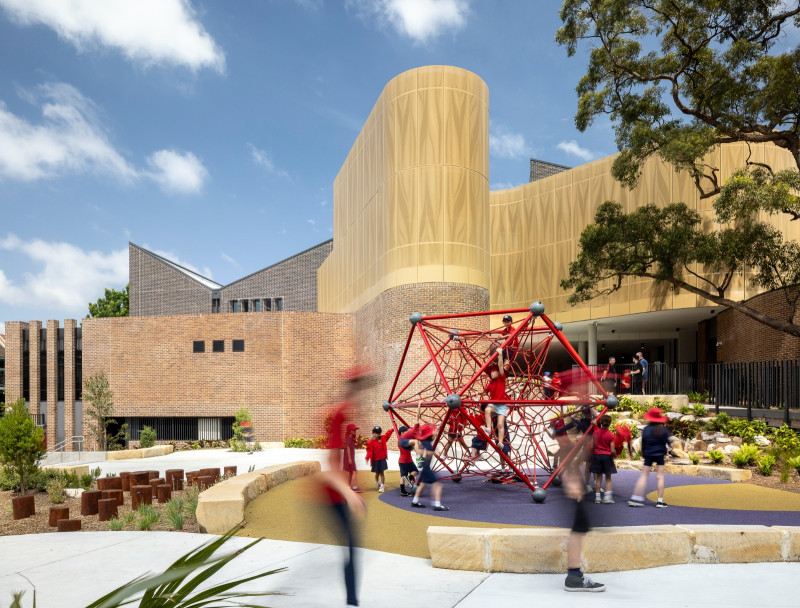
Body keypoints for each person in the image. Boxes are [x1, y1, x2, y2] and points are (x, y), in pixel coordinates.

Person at [316, 365, 370, 606]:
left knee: (352, 547)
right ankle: (352, 601)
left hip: (336, 495)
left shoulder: (346, 413)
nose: (361, 393)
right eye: (358, 387)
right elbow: (329, 467)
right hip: (331, 496)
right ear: (352, 389)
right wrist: (349, 493)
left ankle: (352, 599)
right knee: (351, 546)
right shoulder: (339, 415)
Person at [562, 450, 606, 592]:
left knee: (579, 530)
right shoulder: (576, 431)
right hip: (575, 491)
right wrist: (571, 481)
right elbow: (567, 451)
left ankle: (574, 575)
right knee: (578, 529)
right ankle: (573, 577)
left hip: (576, 486)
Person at [628, 407, 672, 508]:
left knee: (644, 476)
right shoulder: (663, 430)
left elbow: (643, 442)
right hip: (660, 455)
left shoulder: (646, 429)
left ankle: (636, 498)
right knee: (660, 476)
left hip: (648, 454)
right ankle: (660, 501)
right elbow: (668, 442)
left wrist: (643, 453)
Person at [410, 423, 449, 511]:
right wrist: (434, 453)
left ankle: (415, 502)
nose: (435, 433)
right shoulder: (427, 444)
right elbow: (419, 452)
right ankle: (437, 505)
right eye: (434, 432)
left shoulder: (426, 442)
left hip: (425, 468)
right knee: (438, 485)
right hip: (426, 468)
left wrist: (438, 427)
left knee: (422, 484)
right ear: (429, 435)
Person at [483, 351, 509, 448]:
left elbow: (501, 367)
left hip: (501, 405)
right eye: (491, 372)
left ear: (498, 372)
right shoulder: (491, 383)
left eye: (494, 371)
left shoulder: (501, 379)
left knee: (500, 425)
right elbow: (484, 392)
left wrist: (500, 355)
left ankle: (501, 443)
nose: (491, 373)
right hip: (494, 404)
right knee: (487, 409)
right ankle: (489, 429)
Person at [590, 415, 617, 504]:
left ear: (600, 422)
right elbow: (612, 450)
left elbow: (592, 446)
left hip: (597, 456)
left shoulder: (595, 433)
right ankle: (607, 497)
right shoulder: (611, 435)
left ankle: (597, 498)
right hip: (607, 457)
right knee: (608, 478)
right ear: (610, 423)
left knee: (598, 477)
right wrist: (615, 455)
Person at [365, 425, 394, 493]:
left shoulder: (383, 438)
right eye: (374, 433)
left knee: (382, 473)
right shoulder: (370, 442)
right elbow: (369, 451)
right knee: (377, 473)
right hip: (375, 460)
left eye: (377, 433)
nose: (375, 434)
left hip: (382, 459)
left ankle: (382, 486)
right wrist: (367, 458)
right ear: (372, 433)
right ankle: (377, 481)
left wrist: (392, 429)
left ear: (379, 434)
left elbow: (387, 435)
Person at [397, 425, 419, 496]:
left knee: (402, 476)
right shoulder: (404, 441)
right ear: (402, 432)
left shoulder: (400, 440)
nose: (407, 432)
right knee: (416, 471)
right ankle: (409, 479)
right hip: (407, 460)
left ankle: (402, 491)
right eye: (406, 431)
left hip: (401, 461)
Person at [342, 423, 360, 492]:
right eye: (353, 430)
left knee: (350, 472)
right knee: (354, 471)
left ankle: (348, 486)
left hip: (350, 457)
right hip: (349, 457)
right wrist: (350, 458)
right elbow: (348, 448)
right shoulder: (349, 438)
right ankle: (354, 487)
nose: (355, 431)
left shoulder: (350, 438)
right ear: (349, 430)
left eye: (355, 429)